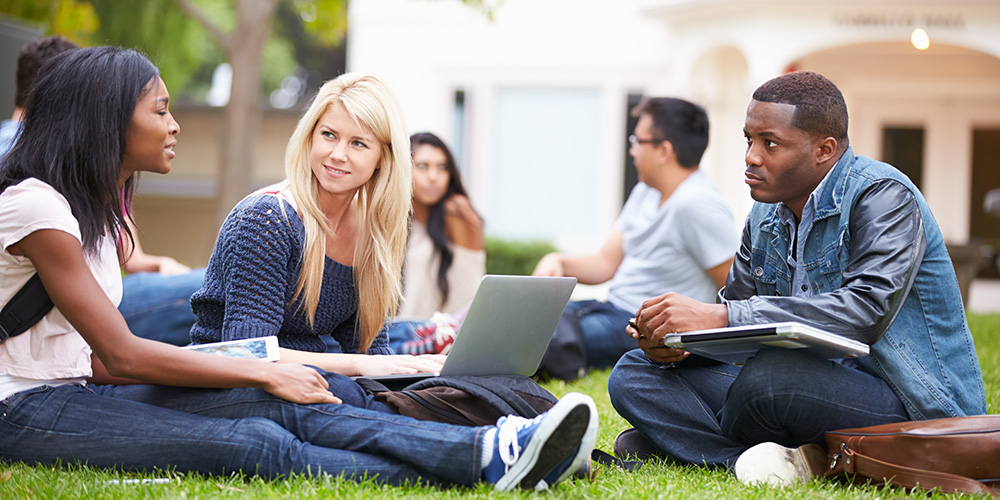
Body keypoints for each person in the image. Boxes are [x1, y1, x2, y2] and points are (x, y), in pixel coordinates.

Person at [0, 46, 597, 490]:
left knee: (320, 403)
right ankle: (485, 458)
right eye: (161, 110)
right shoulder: (37, 206)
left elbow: (101, 364)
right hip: (20, 406)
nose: (175, 123)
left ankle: (504, 448)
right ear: (109, 120)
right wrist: (263, 373)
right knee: (263, 439)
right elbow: (125, 354)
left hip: (81, 389)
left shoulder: (99, 215)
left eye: (360, 143)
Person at [607, 71, 987, 486]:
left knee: (771, 379)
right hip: (799, 386)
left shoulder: (883, 196)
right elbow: (735, 331)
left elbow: (864, 311)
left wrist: (719, 318)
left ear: (824, 149)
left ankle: (688, 444)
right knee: (634, 373)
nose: (751, 156)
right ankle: (762, 461)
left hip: (905, 402)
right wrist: (675, 343)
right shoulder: (763, 215)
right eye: (748, 140)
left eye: (769, 143)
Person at [188, 73, 448, 377]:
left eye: (358, 143)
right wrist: (358, 365)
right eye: (329, 135)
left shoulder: (371, 231)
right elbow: (249, 354)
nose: (338, 155)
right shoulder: (267, 219)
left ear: (383, 158)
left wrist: (417, 377)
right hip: (231, 389)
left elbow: (370, 352)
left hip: (308, 382)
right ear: (310, 135)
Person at [0, 35, 202, 346]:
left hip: (75, 331)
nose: (173, 126)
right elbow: (119, 351)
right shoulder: (38, 187)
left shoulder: (96, 186)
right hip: (40, 353)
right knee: (216, 287)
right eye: (160, 112)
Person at [533, 97, 738, 378]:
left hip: (639, 325)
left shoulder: (697, 204)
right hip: (607, 309)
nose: (632, 151)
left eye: (636, 141)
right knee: (526, 315)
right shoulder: (646, 191)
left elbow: (735, 290)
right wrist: (559, 262)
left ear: (664, 150)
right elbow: (606, 263)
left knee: (535, 337)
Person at [382, 132, 484, 355]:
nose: (433, 177)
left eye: (442, 167)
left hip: (443, 334)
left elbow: (470, 289)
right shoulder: (391, 222)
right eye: (422, 166)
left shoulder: (456, 211)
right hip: (398, 333)